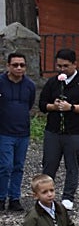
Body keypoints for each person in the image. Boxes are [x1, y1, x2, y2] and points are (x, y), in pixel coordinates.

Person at [38, 48, 79, 210]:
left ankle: (68, 196)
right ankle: (45, 194)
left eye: (65, 66)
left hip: (74, 131)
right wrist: (53, 106)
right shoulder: (53, 82)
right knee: (49, 164)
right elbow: (42, 104)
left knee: (72, 164)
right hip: (53, 130)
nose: (62, 69)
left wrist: (71, 107)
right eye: (59, 66)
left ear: (74, 64)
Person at [0, 51, 37, 212]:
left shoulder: (30, 85)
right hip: (4, 132)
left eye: (22, 65)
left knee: (18, 167)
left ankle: (14, 198)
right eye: (15, 65)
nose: (19, 68)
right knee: (5, 166)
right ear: (8, 66)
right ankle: (1, 197)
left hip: (23, 133)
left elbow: (29, 104)